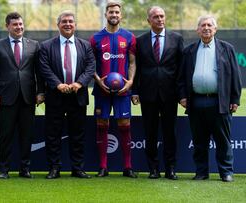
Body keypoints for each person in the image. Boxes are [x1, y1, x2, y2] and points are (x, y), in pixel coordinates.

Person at [179, 15, 242, 182]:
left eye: (209, 25)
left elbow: (235, 75)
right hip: (196, 101)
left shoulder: (226, 48)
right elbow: (182, 77)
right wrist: (183, 97)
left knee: (223, 140)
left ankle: (226, 172)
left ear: (215, 29)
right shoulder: (189, 51)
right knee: (199, 141)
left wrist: (235, 99)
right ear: (197, 30)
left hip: (220, 102)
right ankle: (201, 172)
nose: (206, 28)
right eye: (203, 25)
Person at [0, 12, 45, 179]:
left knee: (27, 134)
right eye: (15, 25)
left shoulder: (34, 45)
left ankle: (24, 169)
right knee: (5, 134)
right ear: (7, 26)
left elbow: (39, 72)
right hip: (5, 97)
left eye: (21, 24)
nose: (19, 27)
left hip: (28, 97)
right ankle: (4, 169)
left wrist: (41, 91)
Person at [39, 10, 95, 179]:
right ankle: (54, 168)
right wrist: (58, 84)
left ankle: (77, 168)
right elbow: (44, 68)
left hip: (77, 96)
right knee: (53, 134)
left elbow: (91, 67)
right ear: (58, 25)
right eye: (64, 21)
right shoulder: (47, 46)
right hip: (55, 96)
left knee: (77, 134)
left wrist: (79, 83)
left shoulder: (85, 45)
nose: (68, 24)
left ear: (75, 25)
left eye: (71, 21)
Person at [132, 6, 183, 180]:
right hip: (148, 95)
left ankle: (171, 168)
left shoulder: (177, 39)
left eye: (162, 16)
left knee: (170, 133)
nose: (160, 19)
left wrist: (181, 93)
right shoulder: (140, 41)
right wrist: (135, 91)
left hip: (170, 95)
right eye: (155, 17)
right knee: (150, 133)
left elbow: (181, 69)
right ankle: (153, 169)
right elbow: (136, 69)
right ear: (149, 20)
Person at [90, 2, 137, 178]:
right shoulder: (95, 39)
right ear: (106, 14)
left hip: (123, 90)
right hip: (102, 90)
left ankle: (127, 167)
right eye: (111, 12)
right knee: (102, 124)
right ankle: (103, 167)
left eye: (117, 12)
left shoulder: (129, 37)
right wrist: (97, 80)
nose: (114, 14)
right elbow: (90, 65)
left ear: (121, 15)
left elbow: (132, 62)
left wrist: (130, 81)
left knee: (124, 125)